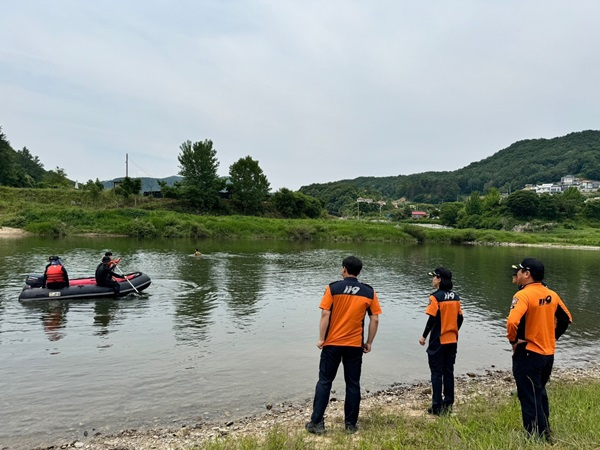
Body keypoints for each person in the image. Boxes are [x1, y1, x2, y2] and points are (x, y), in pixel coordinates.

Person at [306, 256, 381, 434]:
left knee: (325, 382)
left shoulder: (333, 288)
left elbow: (325, 314)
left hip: (332, 343)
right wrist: (369, 342)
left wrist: (321, 338)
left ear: (344, 269)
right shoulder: (369, 292)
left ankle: (316, 423)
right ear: (359, 272)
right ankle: (350, 425)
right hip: (354, 345)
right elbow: (375, 319)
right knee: (353, 384)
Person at [507, 258, 572, 441]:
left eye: (519, 271)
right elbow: (566, 318)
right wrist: (552, 337)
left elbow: (512, 321)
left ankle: (534, 437)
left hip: (528, 353)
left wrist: (514, 341)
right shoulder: (551, 294)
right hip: (547, 354)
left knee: (528, 396)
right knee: (539, 392)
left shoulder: (523, 295)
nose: (516, 274)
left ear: (527, 274)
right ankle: (545, 431)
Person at [419, 267, 463, 416]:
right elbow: (460, 318)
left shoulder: (435, 297)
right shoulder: (456, 297)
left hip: (438, 340)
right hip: (452, 339)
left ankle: (437, 406)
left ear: (439, 279)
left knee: (436, 373)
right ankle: (448, 403)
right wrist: (454, 330)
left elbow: (432, 319)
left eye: (434, 277)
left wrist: (424, 336)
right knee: (448, 372)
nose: (432, 280)